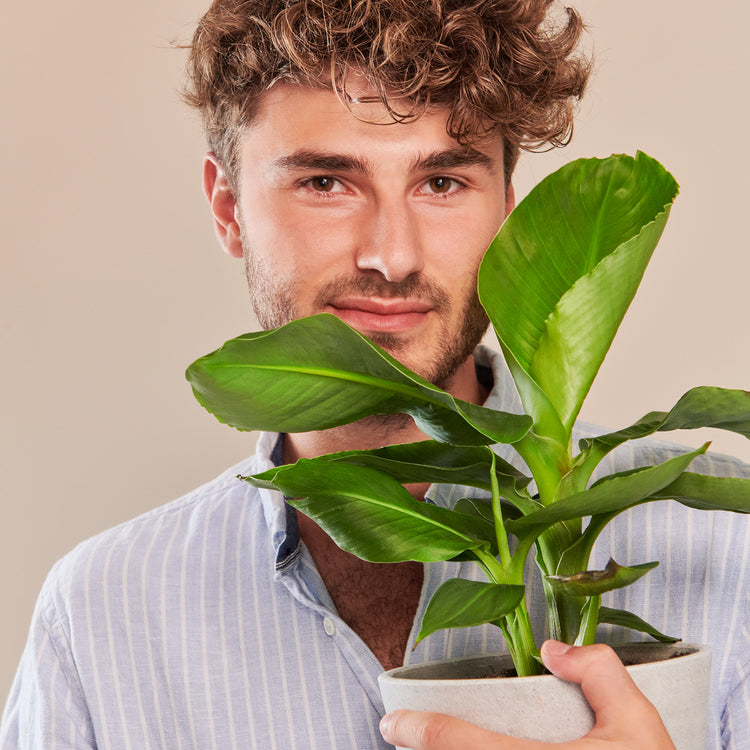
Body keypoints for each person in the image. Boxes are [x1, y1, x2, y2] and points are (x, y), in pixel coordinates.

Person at [1, 0, 748, 748]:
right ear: (227, 208)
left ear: (508, 212)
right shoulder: (100, 615)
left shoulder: (727, 551)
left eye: (443, 183)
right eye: (327, 182)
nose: (392, 257)